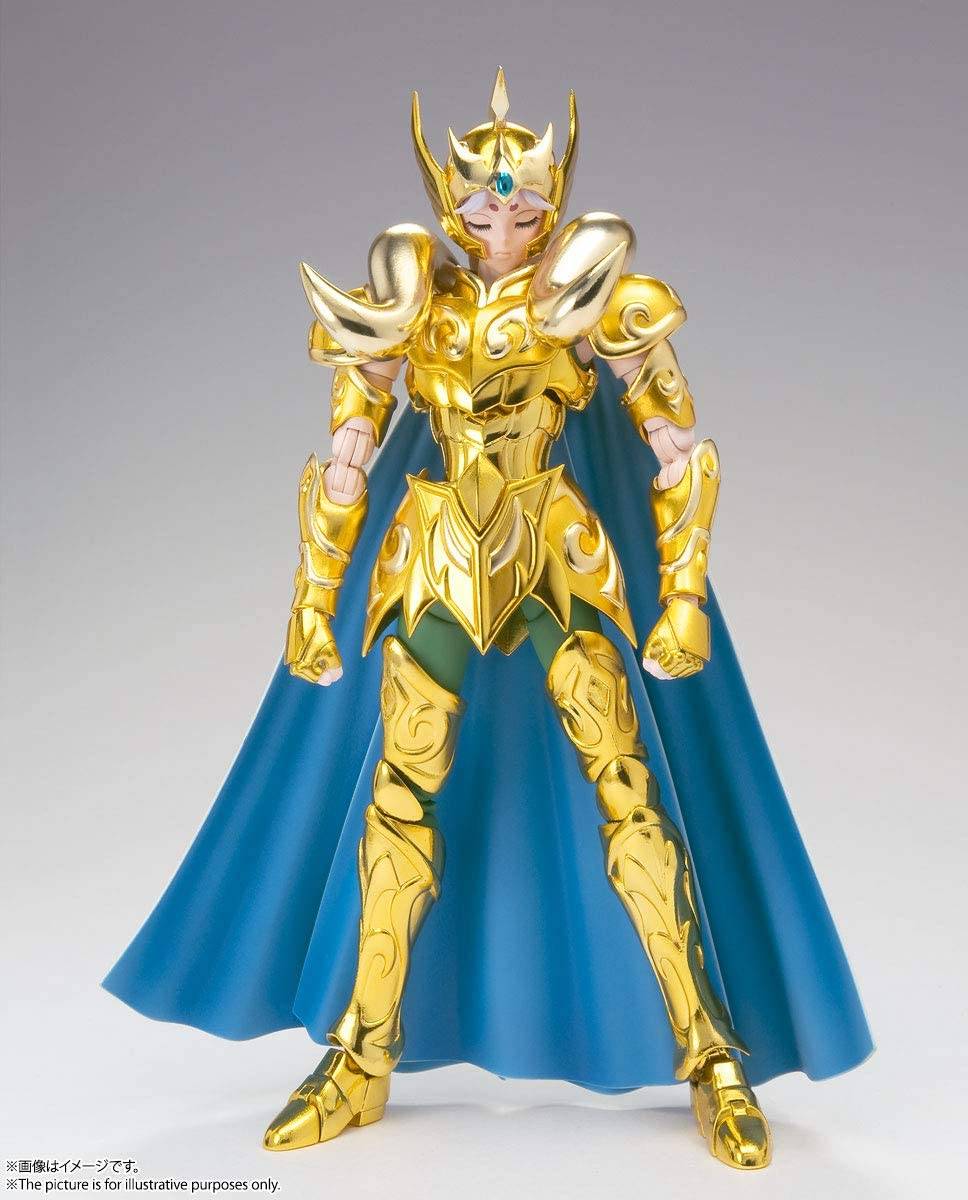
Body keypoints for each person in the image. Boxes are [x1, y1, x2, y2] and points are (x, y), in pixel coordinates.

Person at [104, 70, 873, 1171]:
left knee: (629, 793)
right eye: (480, 211)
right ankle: (361, 1054)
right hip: (435, 556)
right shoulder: (415, 302)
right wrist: (315, 593)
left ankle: (709, 1052)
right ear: (447, 206)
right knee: (397, 797)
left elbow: (678, 450)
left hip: (555, 549)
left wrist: (683, 593)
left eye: (523, 210)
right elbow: (347, 450)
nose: (502, 229)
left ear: (554, 206)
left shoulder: (596, 299)